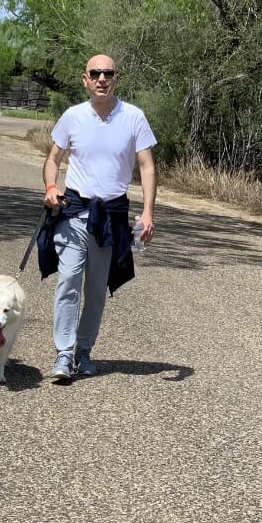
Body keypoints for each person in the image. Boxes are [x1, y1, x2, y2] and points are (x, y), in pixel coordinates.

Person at [38, 54, 157, 380]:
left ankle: (84, 352)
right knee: (69, 282)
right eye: (96, 73)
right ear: (85, 79)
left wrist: (147, 213)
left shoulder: (133, 117)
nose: (102, 78)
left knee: (96, 289)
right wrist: (51, 186)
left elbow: (146, 165)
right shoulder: (73, 116)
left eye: (108, 73)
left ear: (116, 78)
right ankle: (63, 355)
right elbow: (53, 159)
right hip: (75, 212)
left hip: (111, 217)